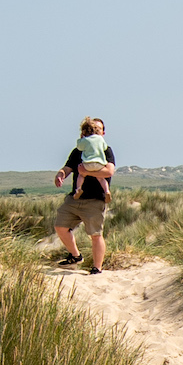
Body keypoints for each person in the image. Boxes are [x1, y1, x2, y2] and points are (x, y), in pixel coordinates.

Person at [52, 116, 115, 273]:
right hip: (75, 198)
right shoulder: (78, 151)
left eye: (97, 129)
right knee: (60, 226)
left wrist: (86, 171)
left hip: (95, 199)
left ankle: (97, 268)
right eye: (91, 130)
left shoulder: (105, 149)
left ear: (103, 132)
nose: (94, 132)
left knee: (95, 234)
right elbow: (68, 168)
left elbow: (109, 171)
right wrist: (60, 174)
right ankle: (75, 256)